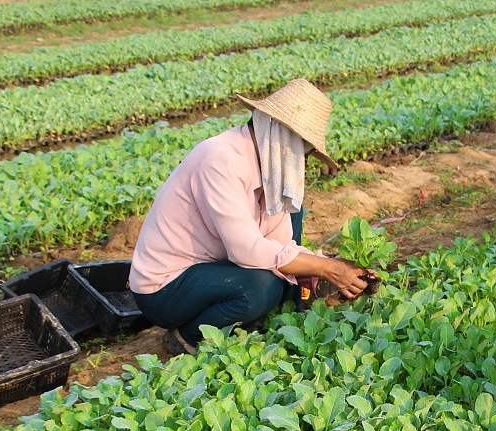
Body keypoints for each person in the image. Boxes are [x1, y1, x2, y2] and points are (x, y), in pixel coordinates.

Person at [129, 78, 373, 356]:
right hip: (166, 288)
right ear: (278, 131)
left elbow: (280, 246)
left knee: (291, 223)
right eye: (302, 147)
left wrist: (324, 271)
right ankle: (185, 337)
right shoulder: (220, 160)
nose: (303, 159)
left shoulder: (272, 173)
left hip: (213, 271)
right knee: (258, 289)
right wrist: (328, 268)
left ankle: (276, 315)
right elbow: (246, 250)